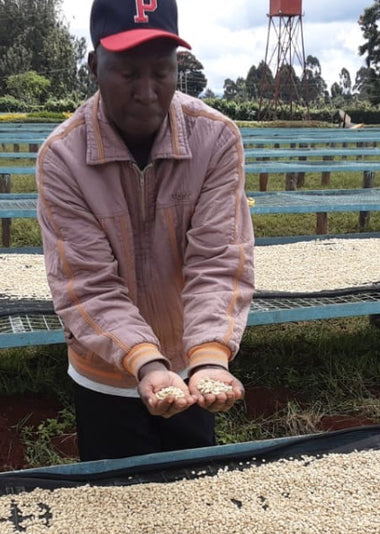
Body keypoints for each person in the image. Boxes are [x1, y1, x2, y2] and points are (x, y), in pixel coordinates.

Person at [36, 0, 255, 462]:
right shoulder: (63, 157)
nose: (147, 91)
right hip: (105, 371)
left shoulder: (214, 139)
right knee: (116, 505)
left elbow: (218, 260)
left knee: (196, 498)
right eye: (128, 73)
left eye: (161, 71)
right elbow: (86, 283)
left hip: (191, 364)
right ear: (95, 66)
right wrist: (145, 362)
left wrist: (210, 357)